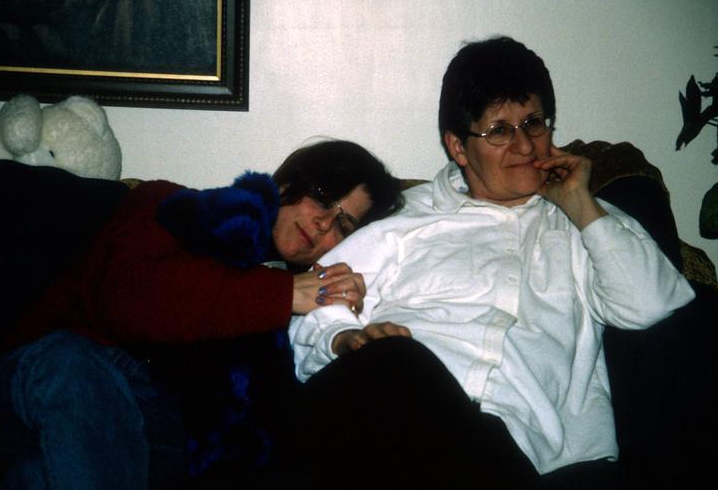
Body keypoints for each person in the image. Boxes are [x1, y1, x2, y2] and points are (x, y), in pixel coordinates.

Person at [288, 37, 696, 489]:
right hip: (388, 411)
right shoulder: (404, 218)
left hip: (515, 447)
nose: (524, 146)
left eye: (534, 123)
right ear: (459, 148)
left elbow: (652, 303)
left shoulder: (588, 226)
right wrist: (346, 338)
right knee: (399, 361)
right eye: (499, 131)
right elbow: (318, 298)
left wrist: (580, 204)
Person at [0, 138, 403, 490]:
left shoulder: (298, 315)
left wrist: (344, 334)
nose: (325, 223)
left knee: (34, 478)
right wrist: (282, 294)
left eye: (344, 225)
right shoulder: (172, 205)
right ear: (289, 182)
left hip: (145, 430)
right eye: (323, 196)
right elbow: (125, 301)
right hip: (39, 382)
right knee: (73, 363)